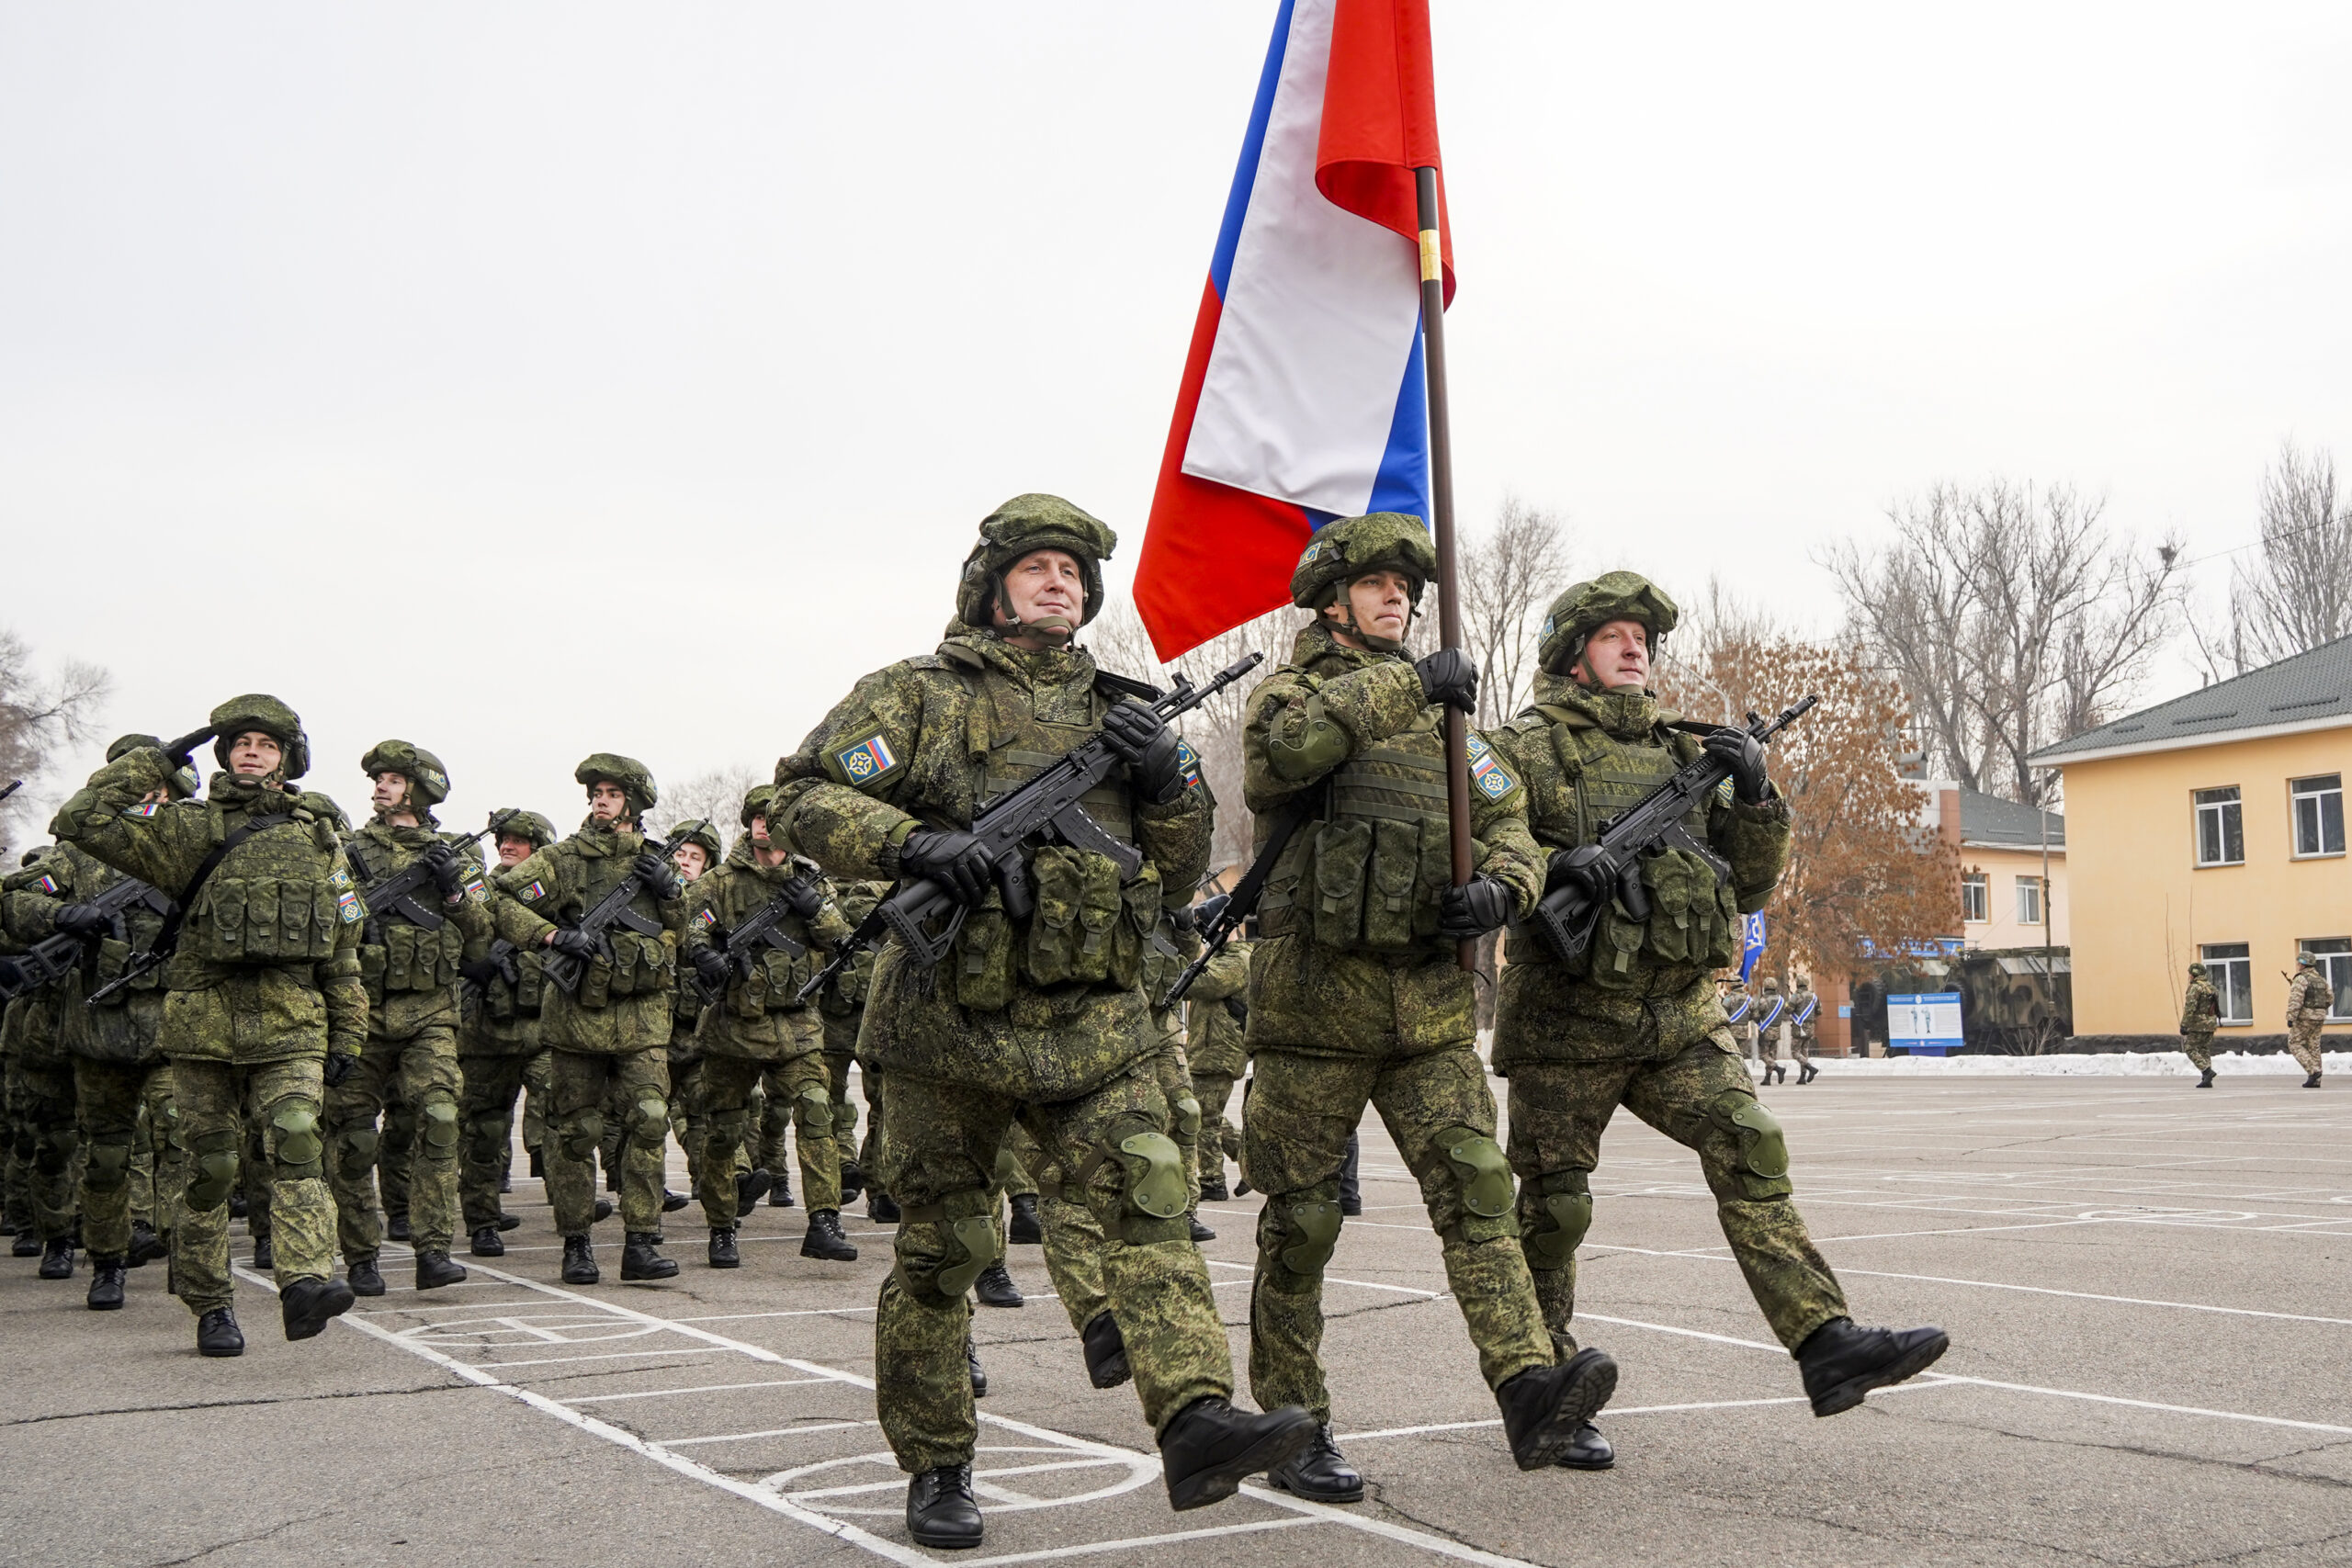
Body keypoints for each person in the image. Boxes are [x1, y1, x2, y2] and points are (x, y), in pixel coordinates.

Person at [773, 494, 1314, 1547]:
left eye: (1072, 569)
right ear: (990, 583)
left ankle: (1195, 1414)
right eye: (1036, 566)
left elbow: (1172, 866)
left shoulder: (1126, 711)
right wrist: (912, 844)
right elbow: (798, 799)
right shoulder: (913, 696)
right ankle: (937, 1465)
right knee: (941, 1250)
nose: (1058, 581)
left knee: (1153, 1196)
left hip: (1092, 1026)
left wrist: (1163, 773)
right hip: (944, 1026)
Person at [1487, 573, 1949, 1464]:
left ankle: (1823, 1342)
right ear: (1571, 654)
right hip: (1565, 1025)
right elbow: (1487, 851)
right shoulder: (1524, 749)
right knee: (1553, 1211)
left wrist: (1757, 797)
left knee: (1750, 1140)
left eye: (1642, 638)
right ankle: (1546, 1386)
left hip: (1673, 1017)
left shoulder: (1680, 750)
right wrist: (1556, 863)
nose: (1635, 649)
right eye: (1615, 635)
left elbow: (1748, 885)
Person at [1238, 513, 1620, 1503]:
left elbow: (1512, 828)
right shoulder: (1293, 694)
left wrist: (1502, 889)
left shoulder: (1453, 730)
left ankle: (1529, 1388)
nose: (1398, 597)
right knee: (1304, 1225)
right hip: (1314, 1013)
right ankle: (1294, 1425)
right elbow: (1280, 760)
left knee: (1480, 1200)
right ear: (1331, 600)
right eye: (1376, 583)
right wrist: (1412, 680)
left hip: (1430, 1010)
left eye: (1407, 586)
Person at [50, 695, 363, 1356]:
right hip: (203, 1026)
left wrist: (350, 1031)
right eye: (240, 740)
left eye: (267, 743)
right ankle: (210, 1302)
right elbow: (81, 818)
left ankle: (306, 1279)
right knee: (212, 1167)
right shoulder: (185, 828)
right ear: (223, 754)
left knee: (298, 1135)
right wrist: (157, 760)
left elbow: (343, 944)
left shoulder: (318, 834)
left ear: (287, 757)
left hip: (291, 1022)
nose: (252, 749)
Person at [489, 755, 686, 1284]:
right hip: (576, 1020)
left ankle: (642, 1241)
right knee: (575, 1133)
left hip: (643, 1020)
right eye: (597, 792)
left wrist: (671, 892)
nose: (600, 800)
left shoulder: (656, 864)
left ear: (635, 803)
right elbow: (499, 900)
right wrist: (551, 936)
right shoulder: (562, 860)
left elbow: (686, 936)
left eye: (612, 793)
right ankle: (577, 1244)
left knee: (647, 1121)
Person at [15, 736, 192, 1308]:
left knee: (185, 1143)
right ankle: (107, 1260)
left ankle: (185, 1254)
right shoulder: (74, 854)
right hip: (99, 1030)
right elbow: (13, 904)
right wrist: (60, 911)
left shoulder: (190, 846)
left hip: (176, 1029)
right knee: (108, 1155)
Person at [327, 741, 492, 1295]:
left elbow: (481, 932)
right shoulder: (347, 850)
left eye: (394, 779)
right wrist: (359, 924)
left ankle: (433, 1249)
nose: (380, 786)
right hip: (362, 1010)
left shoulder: (458, 855)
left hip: (431, 1010)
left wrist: (452, 891)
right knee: (351, 1136)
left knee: (442, 1117)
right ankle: (360, 1257)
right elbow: (334, 911)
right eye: (378, 778)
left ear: (420, 790)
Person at [681, 787, 859, 1268]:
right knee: (723, 1130)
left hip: (797, 1026)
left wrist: (814, 910)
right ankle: (721, 1227)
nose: (764, 824)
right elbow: (691, 926)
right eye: (757, 817)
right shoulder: (719, 882)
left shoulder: (811, 882)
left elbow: (844, 939)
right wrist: (704, 953)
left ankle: (824, 1221)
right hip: (733, 1028)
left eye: (773, 817)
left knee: (818, 1112)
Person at [455, 809, 560, 1256]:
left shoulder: (554, 898)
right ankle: (482, 1221)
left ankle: (570, 1203)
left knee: (563, 1114)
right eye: (504, 840)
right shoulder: (479, 890)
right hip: (486, 1035)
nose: (507, 846)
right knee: (482, 1131)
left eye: (519, 841)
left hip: (541, 1033)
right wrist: (468, 962)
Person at [2286, 952, 2330, 1089]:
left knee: (2294, 1043)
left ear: (2303, 964)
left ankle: (2314, 1071)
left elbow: (2296, 999)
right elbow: (2330, 998)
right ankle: (2316, 1080)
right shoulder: (2320, 979)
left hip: (2305, 1017)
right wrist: (2319, 1010)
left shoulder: (2301, 979)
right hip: (2319, 1017)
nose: (2297, 965)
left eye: (2299, 962)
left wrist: (2291, 1017)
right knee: (2314, 1046)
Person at [2178, 962, 2220, 1088]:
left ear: (2194, 974)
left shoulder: (2195, 988)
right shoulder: (2211, 987)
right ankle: (2207, 1080)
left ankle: (2207, 1072)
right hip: (2210, 1023)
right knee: (2204, 1049)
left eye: (2190, 973)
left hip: (2198, 1025)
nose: (2189, 976)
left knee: (2190, 1048)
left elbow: (2190, 1008)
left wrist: (2184, 1025)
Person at [1755, 977, 1787, 1085]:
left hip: (1766, 1030)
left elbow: (1756, 1015)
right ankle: (1767, 1079)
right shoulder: (1781, 1000)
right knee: (1771, 1055)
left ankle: (1778, 1069)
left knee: (1764, 1055)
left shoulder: (1764, 1000)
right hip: (1777, 1030)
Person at [1790, 976, 1821, 1085]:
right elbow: (1819, 1011)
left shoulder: (1796, 996)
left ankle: (1810, 1068)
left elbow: (1788, 1009)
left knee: (1795, 1052)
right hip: (1810, 1026)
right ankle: (1802, 1077)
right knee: (1804, 1051)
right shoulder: (1813, 996)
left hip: (1799, 1027)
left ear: (1798, 984)